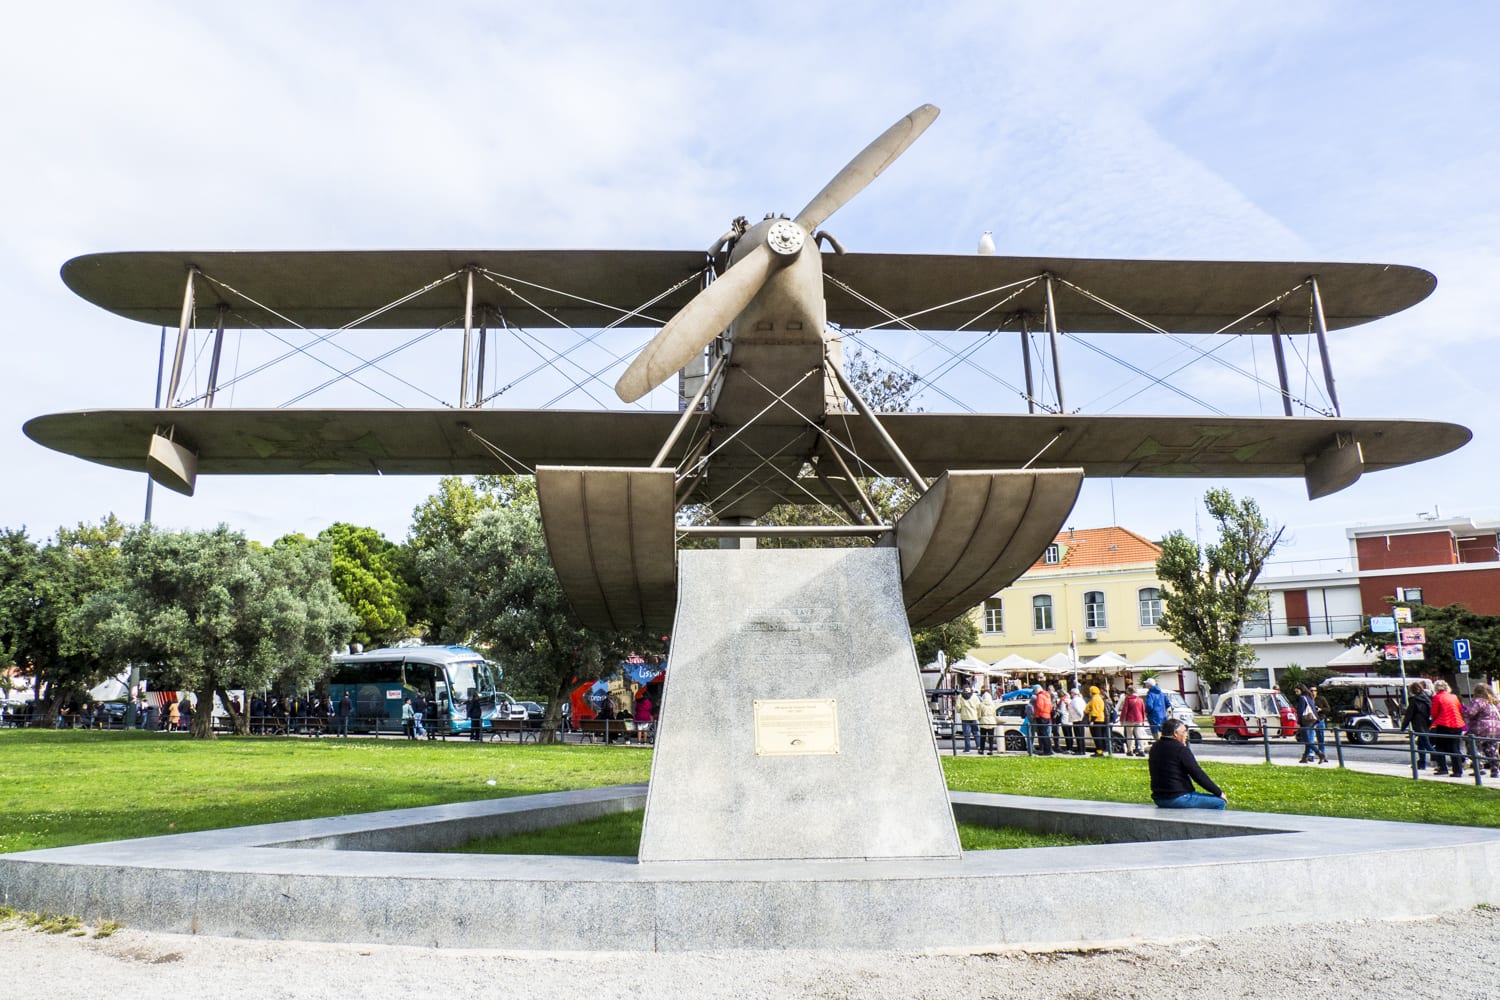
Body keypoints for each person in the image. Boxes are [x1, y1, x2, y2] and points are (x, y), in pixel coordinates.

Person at [1149, 718, 1227, 809]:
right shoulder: (1181, 750)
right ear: (1175, 733)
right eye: (1184, 732)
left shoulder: (1155, 747)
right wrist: (1219, 793)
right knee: (1219, 802)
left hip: (1159, 799)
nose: (1186, 735)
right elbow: (1198, 775)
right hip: (1178, 797)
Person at [1430, 679, 1467, 777]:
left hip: (1444, 724)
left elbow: (1434, 713)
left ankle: (1443, 768)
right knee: (1455, 747)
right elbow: (1459, 709)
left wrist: (1433, 721)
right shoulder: (1454, 697)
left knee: (1440, 747)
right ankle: (1458, 770)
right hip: (1457, 724)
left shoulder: (1437, 697)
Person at [1462, 683, 1500, 780]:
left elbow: (1470, 713)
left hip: (1480, 729)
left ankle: (1479, 768)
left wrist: (1463, 710)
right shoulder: (1495, 702)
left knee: (1474, 748)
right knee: (1492, 750)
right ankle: (1495, 770)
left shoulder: (1479, 701)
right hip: (1495, 729)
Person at [1400, 681, 1435, 771]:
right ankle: (1421, 763)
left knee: (1427, 745)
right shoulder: (1427, 698)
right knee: (1421, 744)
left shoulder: (1414, 700)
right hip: (1427, 724)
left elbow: (1409, 715)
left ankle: (1440, 760)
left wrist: (1403, 727)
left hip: (1419, 725)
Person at [1294, 686, 1326, 764]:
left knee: (1307, 740)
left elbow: (1300, 712)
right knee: (1307, 740)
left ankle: (1320, 754)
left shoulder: (1302, 698)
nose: (1296, 693)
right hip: (1312, 720)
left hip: (1305, 721)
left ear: (1301, 690)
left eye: (1297, 691)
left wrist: (1298, 722)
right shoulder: (1309, 697)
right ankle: (1305, 757)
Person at [1119, 685, 1147, 756]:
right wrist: (1143, 719)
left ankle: (1130, 750)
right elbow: (1143, 710)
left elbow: (1125, 710)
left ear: (1129, 691)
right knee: (1139, 735)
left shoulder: (1128, 699)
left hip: (1130, 719)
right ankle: (1142, 750)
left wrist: (1121, 719)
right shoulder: (1140, 700)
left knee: (1129, 735)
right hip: (1139, 719)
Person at [1029, 684, 1053, 755]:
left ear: (1037, 690)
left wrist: (1036, 714)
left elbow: (1039, 706)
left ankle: (1046, 751)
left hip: (1041, 716)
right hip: (1047, 716)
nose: (1034, 693)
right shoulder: (1047, 696)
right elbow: (1051, 707)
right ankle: (1049, 750)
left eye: (1034, 691)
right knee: (1046, 734)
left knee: (1043, 734)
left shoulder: (1040, 696)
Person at [956, 685, 980, 754]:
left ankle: (967, 749)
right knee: (976, 733)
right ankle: (978, 747)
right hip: (974, 717)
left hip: (965, 717)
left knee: (966, 734)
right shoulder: (974, 696)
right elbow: (978, 706)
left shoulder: (960, 697)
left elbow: (958, 707)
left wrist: (960, 711)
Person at [1084, 685, 1108, 756]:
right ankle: (1099, 750)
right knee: (1099, 736)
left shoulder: (1095, 699)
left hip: (1097, 720)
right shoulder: (1098, 698)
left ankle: (1099, 751)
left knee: (1097, 736)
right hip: (1100, 719)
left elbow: (1095, 710)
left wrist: (1092, 720)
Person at [1065, 686, 1086, 754]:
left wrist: (1081, 715)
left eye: (1071, 693)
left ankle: (1080, 750)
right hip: (1080, 719)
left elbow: (1077, 709)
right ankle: (1082, 750)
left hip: (1077, 719)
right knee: (1081, 735)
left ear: (1073, 693)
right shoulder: (1081, 699)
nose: (1071, 694)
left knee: (1078, 735)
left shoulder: (1075, 700)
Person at [976, 690, 997, 755]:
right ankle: (991, 750)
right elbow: (994, 714)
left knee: (983, 737)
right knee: (991, 737)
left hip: (983, 721)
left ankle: (982, 750)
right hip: (991, 721)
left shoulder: (981, 704)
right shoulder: (993, 704)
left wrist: (980, 719)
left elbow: (979, 714)